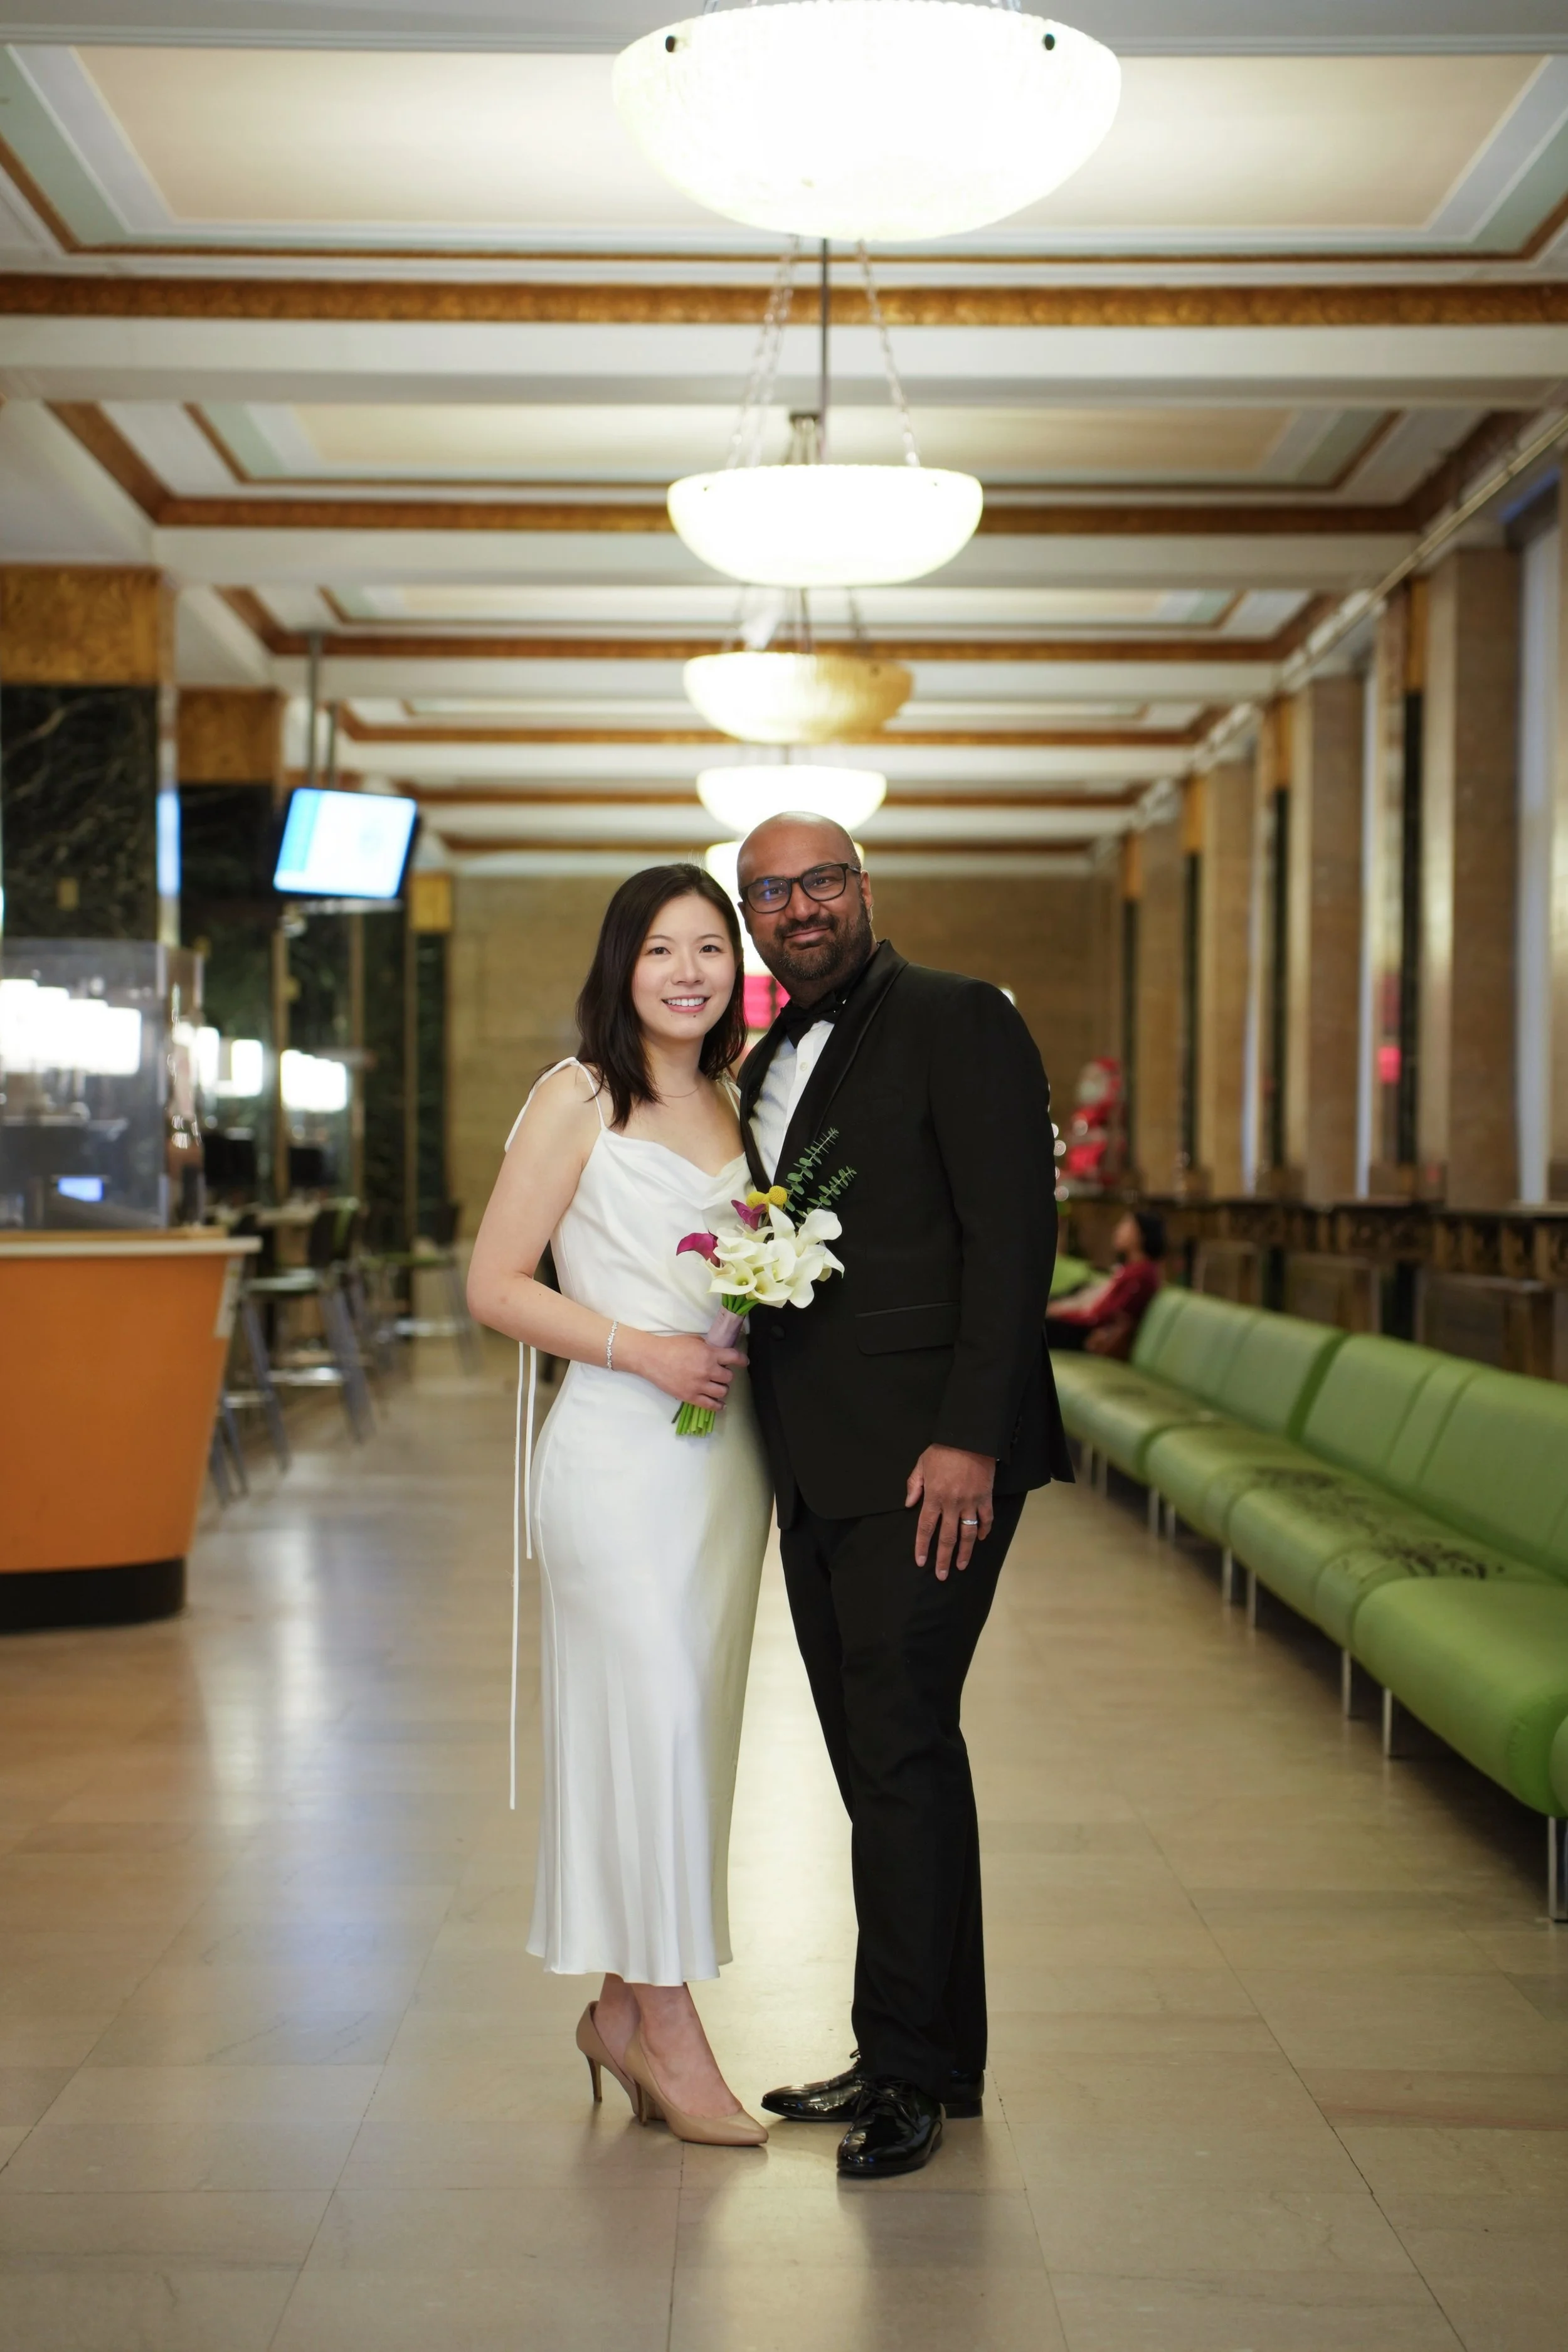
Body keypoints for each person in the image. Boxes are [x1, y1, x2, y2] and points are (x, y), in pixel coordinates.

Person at [733, 813, 1073, 2180]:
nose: (799, 907)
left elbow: (1012, 1237)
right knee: (888, 1753)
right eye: (770, 891)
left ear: (864, 888)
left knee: (899, 1746)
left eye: (821, 881)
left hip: (931, 1462)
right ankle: (930, 2053)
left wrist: (969, 1439)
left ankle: (910, 2075)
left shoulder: (957, 1017)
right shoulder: (762, 1056)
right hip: (817, 1464)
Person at [467, 864, 772, 2149]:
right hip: (613, 1451)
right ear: (622, 966)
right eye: (662, 950)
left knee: (683, 1736)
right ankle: (672, 2025)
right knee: (644, 1720)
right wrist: (641, 1351)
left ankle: (614, 2016)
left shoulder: (741, 1101)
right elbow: (493, 1282)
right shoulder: (579, 1093)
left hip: (720, 1461)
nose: (689, 972)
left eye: (711, 947)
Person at [1046, 1209, 1167, 1358]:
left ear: (1140, 1235)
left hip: (1086, 1334)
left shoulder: (1142, 1274)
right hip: (1082, 1326)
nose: (1118, 1230)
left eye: (1126, 1225)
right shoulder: (1131, 1269)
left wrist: (1061, 1312)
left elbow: (1103, 1316)